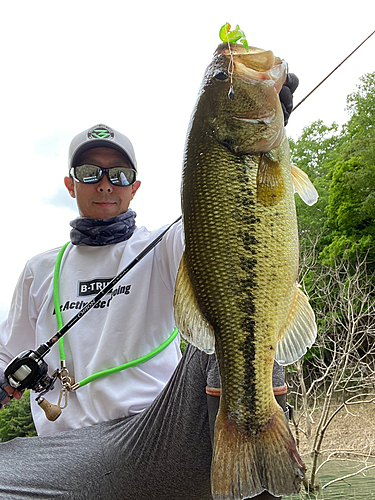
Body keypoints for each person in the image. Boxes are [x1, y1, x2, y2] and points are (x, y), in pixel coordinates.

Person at [0, 76, 298, 499]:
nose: (105, 183)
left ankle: (259, 481)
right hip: (65, 454)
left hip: (158, 433)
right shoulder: (38, 269)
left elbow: (229, 230)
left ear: (135, 187)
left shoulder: (166, 243)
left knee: (242, 325)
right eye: (90, 173)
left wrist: (264, 137)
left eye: (119, 174)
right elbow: (8, 353)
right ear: (70, 184)